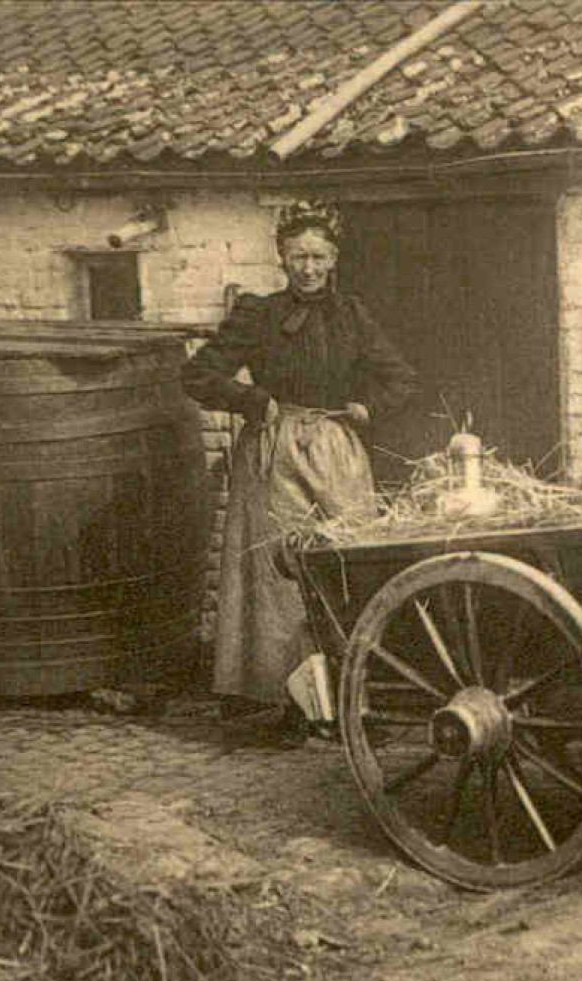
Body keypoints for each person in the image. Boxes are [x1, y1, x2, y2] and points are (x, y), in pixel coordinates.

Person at [184, 200, 418, 731]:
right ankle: (283, 699)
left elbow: (401, 379)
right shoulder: (258, 315)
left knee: (342, 564)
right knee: (280, 576)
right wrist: (251, 400)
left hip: (336, 448)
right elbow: (199, 375)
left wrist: (368, 408)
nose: (308, 268)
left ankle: (347, 694)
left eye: (317, 257)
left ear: (333, 259)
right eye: (297, 257)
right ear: (282, 259)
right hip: (275, 449)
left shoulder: (353, 315)